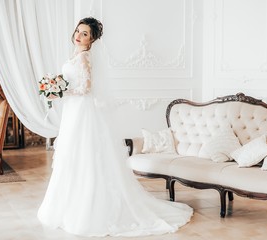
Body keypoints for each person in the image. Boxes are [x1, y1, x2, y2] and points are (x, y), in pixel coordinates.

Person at [37, 17, 193, 237]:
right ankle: (66, 206)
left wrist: (63, 91)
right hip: (74, 112)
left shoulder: (84, 57)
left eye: (85, 34)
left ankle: (89, 210)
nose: (79, 36)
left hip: (83, 111)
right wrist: (57, 87)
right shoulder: (75, 55)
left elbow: (87, 88)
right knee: (72, 155)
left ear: (92, 40)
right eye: (78, 31)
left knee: (86, 155)